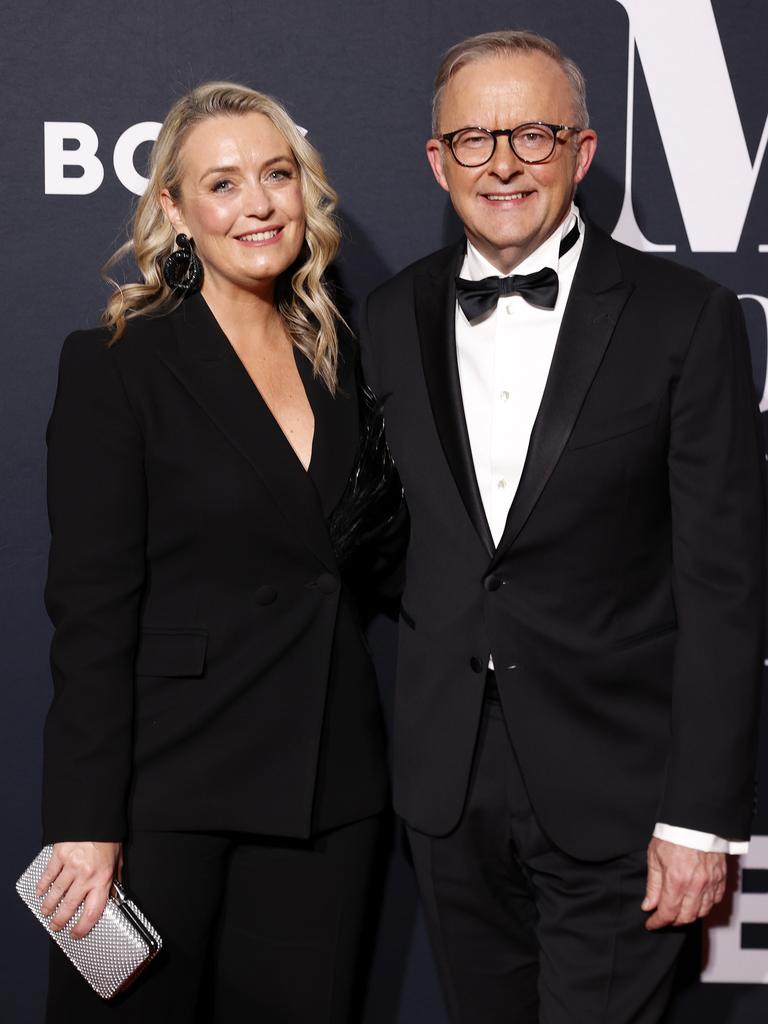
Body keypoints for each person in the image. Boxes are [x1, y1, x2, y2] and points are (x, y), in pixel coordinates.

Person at [360, 29, 765, 1024]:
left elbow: (726, 585)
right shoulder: (387, 313)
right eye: (473, 139)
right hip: (448, 796)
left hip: (622, 798)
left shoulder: (688, 318)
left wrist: (700, 820)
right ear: (436, 159)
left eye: (533, 135)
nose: (502, 163)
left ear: (582, 153)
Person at [36, 82, 389, 1023]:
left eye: (278, 175)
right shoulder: (116, 362)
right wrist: (83, 820)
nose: (260, 204)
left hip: (328, 793)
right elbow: (91, 609)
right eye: (223, 183)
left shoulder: (348, 357)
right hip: (165, 791)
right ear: (174, 211)